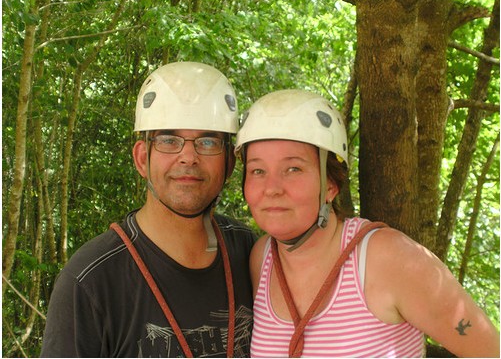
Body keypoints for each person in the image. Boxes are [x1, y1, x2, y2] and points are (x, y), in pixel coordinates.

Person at [234, 89, 500, 358]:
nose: (272, 188)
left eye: (293, 169)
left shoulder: (388, 258)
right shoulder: (263, 258)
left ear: (331, 185)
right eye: (258, 170)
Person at [41, 61, 256, 357]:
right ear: (143, 158)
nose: (188, 156)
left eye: (208, 142)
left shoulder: (249, 253)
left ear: (229, 163)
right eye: (169, 140)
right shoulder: (91, 281)